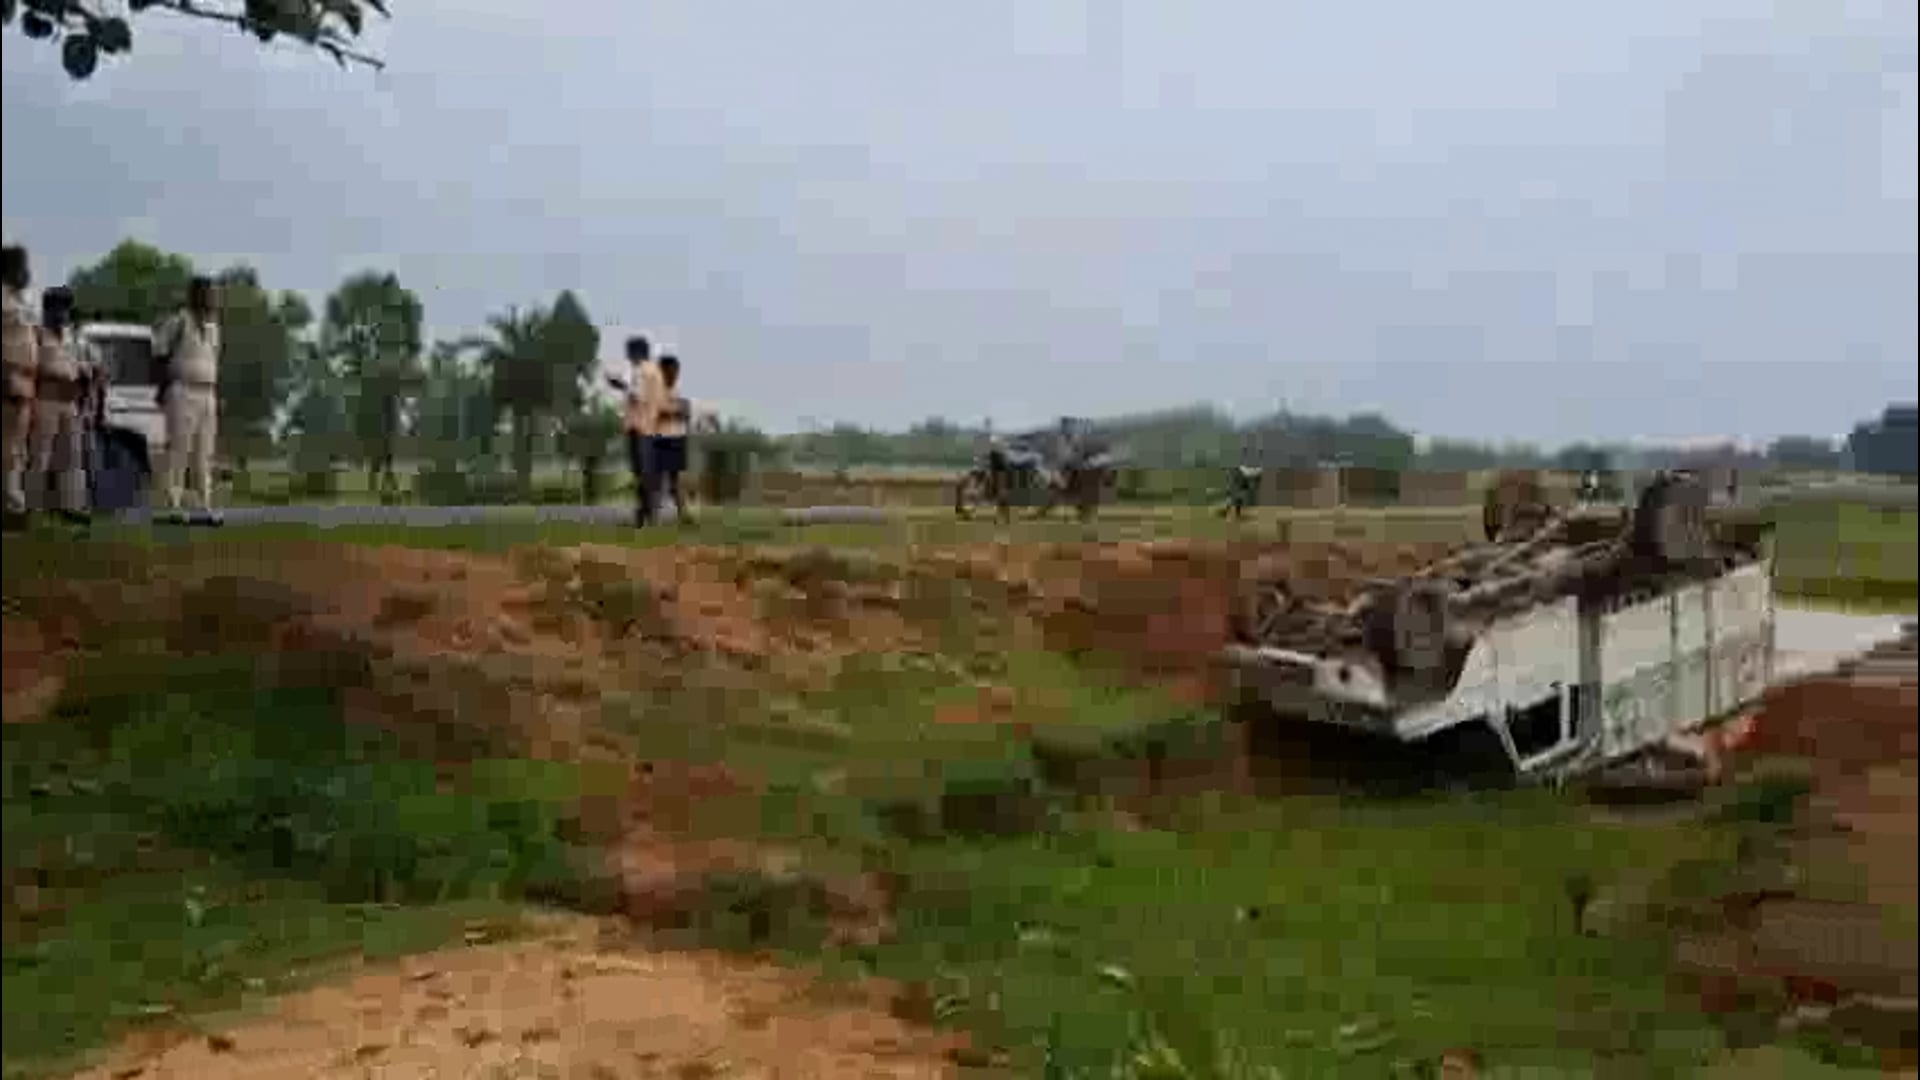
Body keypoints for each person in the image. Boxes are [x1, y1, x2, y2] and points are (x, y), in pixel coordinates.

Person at [153, 276, 223, 523]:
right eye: (210, 294)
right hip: (182, 389)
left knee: (205, 453)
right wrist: (163, 388)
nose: (214, 299)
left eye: (215, 294)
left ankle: (203, 505)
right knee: (179, 450)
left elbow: (212, 360)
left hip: (207, 392)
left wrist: (215, 392)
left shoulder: (214, 328)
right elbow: (159, 354)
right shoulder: (179, 321)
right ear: (197, 295)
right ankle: (172, 505)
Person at [27, 287, 97, 525]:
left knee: (71, 456)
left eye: (66, 309)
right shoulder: (36, 334)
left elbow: (85, 366)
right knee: (40, 456)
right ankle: (33, 507)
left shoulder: (72, 338)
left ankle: (71, 506)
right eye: (58, 308)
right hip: (45, 398)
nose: (63, 314)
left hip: (70, 399)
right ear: (48, 310)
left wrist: (85, 384)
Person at [2, 244, 37, 529]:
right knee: (7, 449)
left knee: (16, 450)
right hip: (8, 377)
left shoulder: (20, 301)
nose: (27, 273)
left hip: (24, 380)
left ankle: (14, 505)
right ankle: (11, 506)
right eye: (23, 267)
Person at [615, 334, 664, 526]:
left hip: (641, 427)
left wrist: (621, 386)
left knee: (642, 472)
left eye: (628, 352)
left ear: (636, 352)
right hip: (650, 426)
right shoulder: (654, 370)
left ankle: (646, 514)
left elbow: (637, 397)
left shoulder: (642, 371)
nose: (627, 356)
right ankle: (646, 513)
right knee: (646, 472)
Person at [651, 354, 694, 524]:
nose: (674, 375)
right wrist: (674, 412)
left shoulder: (678, 391)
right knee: (656, 479)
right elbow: (654, 414)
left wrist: (674, 412)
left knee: (675, 481)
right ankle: (652, 515)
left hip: (677, 439)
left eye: (676, 371)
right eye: (671, 371)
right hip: (659, 439)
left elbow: (686, 412)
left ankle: (683, 514)